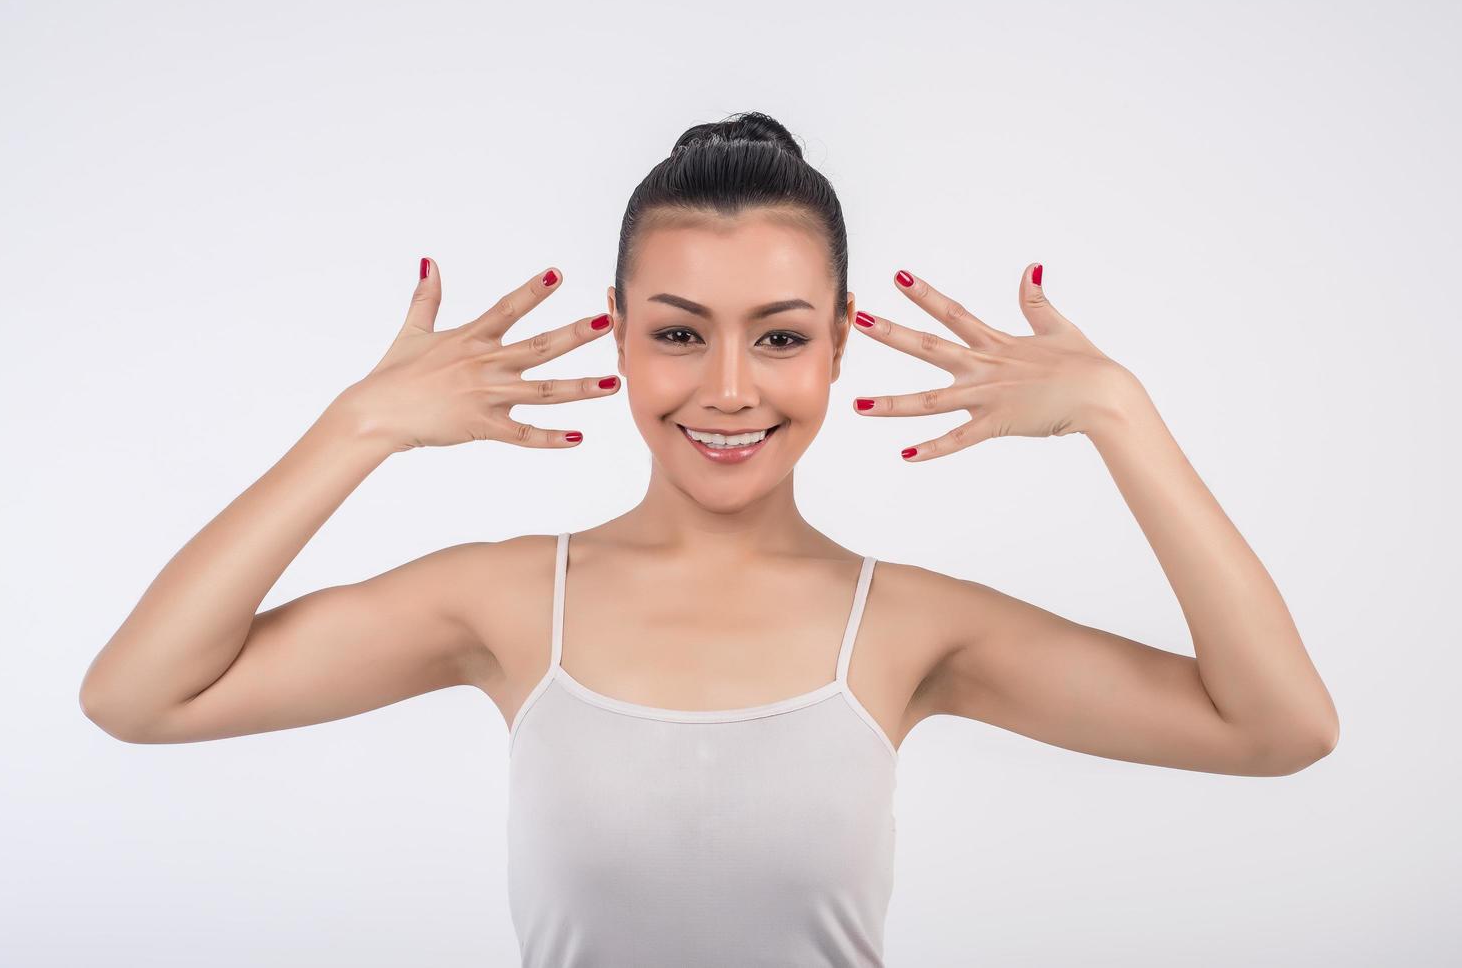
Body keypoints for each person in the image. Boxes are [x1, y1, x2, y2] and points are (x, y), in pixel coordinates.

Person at [78, 110, 1340, 967]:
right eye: (678, 332)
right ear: (618, 332)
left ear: (838, 345)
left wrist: (1123, 416)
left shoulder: (907, 627)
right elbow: (138, 695)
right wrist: (356, 427)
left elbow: (1276, 728)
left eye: (779, 335)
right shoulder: (512, 603)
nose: (727, 387)